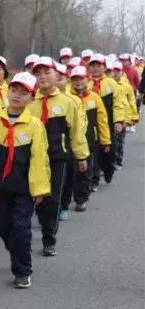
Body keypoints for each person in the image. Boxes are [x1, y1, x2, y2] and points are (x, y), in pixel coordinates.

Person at [0, 72, 50, 287]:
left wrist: (38, 189)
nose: (17, 96)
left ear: (31, 98)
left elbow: (39, 158)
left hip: (23, 189)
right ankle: (17, 250)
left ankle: (23, 270)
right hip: (0, 187)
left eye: (24, 93)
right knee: (2, 227)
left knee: (21, 228)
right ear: (7, 91)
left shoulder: (34, 125)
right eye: (14, 90)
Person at [27, 57, 89, 256]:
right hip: (33, 159)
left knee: (53, 199)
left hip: (58, 157)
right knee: (37, 199)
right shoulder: (30, 102)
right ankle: (35, 228)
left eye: (47, 72)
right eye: (38, 73)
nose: (43, 77)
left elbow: (76, 133)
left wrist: (81, 157)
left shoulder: (67, 103)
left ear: (57, 75)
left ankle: (48, 238)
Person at [68, 66, 111, 211]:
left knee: (85, 171)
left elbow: (102, 121)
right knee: (71, 171)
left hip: (89, 141)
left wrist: (105, 140)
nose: (78, 82)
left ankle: (81, 198)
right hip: (70, 142)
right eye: (75, 79)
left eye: (81, 78)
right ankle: (69, 195)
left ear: (87, 79)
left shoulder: (94, 98)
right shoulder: (67, 97)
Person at [86, 53, 127, 186]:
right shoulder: (86, 84)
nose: (95, 68)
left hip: (108, 125)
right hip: (91, 125)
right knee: (94, 153)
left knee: (110, 151)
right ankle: (94, 179)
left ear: (104, 67)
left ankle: (109, 170)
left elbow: (118, 103)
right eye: (93, 65)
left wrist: (119, 121)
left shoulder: (112, 84)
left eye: (99, 65)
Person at [55, 63, 86, 221]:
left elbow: (79, 125)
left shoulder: (73, 100)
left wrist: (80, 152)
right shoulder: (38, 100)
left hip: (68, 148)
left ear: (66, 80)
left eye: (60, 78)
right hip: (48, 149)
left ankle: (64, 205)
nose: (56, 81)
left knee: (67, 179)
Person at [108, 60, 140, 168]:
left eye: (117, 71)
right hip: (109, 117)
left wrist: (134, 117)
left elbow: (132, 102)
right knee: (111, 141)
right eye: (113, 71)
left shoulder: (127, 86)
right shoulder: (106, 85)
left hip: (123, 118)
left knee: (119, 141)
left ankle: (118, 160)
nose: (115, 73)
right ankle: (110, 161)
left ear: (122, 72)